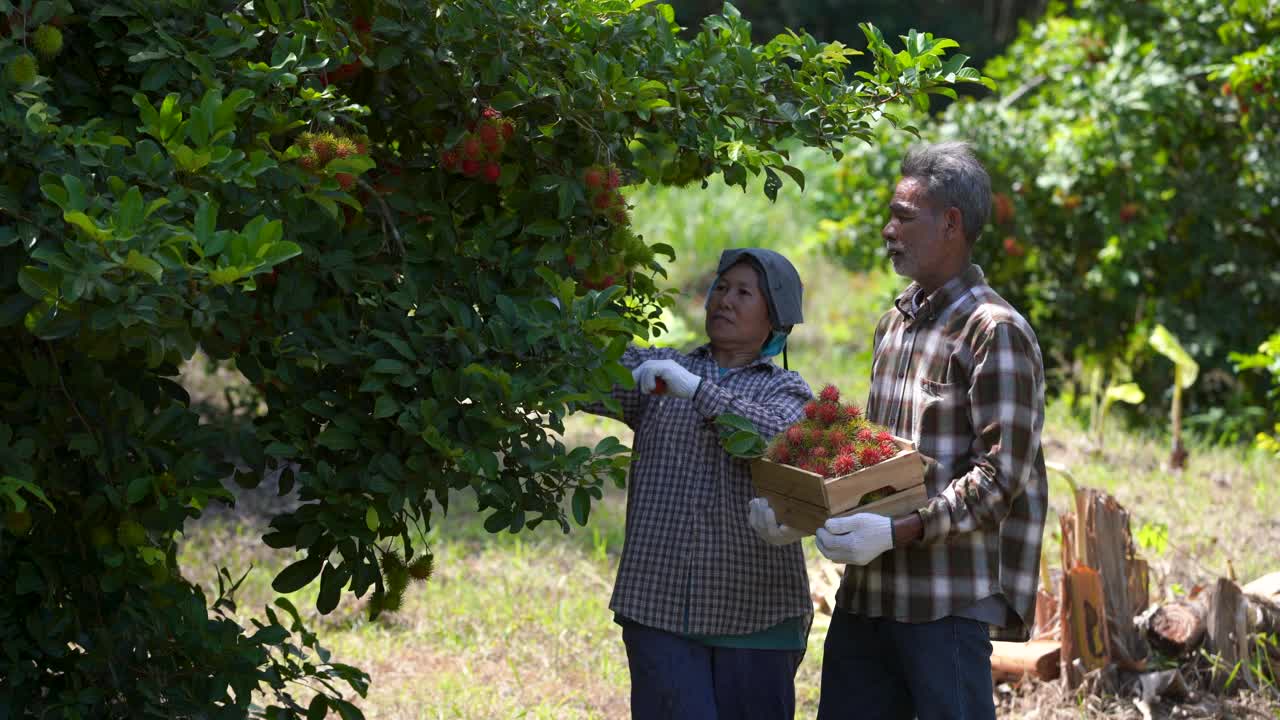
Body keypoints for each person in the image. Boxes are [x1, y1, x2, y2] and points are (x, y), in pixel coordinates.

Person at [752, 142, 1049, 720]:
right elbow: (874, 460)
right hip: (868, 597)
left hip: (944, 603)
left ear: (951, 224)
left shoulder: (994, 330)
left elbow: (999, 478)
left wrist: (900, 532)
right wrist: (804, 510)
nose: (889, 230)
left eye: (903, 216)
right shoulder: (895, 322)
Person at [586, 248, 814, 720]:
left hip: (756, 617)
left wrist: (696, 390)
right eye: (721, 287)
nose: (725, 300)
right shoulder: (662, 369)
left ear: (773, 318)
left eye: (744, 293)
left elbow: (776, 438)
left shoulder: (786, 389)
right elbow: (584, 368)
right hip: (659, 610)